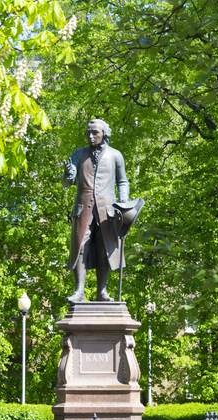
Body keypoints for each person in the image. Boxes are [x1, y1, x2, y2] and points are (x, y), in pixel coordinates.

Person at [62, 119, 129, 303]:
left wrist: (123, 203)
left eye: (95, 133)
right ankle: (79, 291)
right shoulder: (78, 154)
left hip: (107, 211)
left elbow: (123, 182)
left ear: (104, 134)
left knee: (104, 249)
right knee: (81, 248)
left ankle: (102, 292)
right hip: (83, 209)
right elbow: (67, 182)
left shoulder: (116, 155)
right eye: (88, 133)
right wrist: (69, 173)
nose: (91, 136)